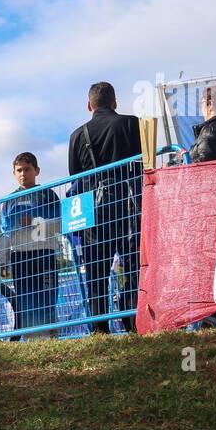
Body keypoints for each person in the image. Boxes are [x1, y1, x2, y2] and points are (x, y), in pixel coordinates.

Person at [67, 82, 143, 333]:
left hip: (92, 210)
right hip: (128, 204)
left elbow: (74, 175)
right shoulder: (131, 124)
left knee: (96, 270)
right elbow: (143, 163)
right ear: (115, 103)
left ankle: (100, 327)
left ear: (89, 106)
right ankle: (132, 320)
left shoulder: (77, 135)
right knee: (132, 264)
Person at [0, 152, 60, 339]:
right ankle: (30, 340)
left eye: (27, 169)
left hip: (44, 253)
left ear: (36, 171)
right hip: (20, 256)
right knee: (25, 301)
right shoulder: (7, 202)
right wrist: (2, 260)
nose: (23, 174)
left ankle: (51, 338)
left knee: (47, 298)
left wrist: (34, 221)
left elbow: (59, 222)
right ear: (14, 173)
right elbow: (4, 233)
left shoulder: (48, 194)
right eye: (19, 170)